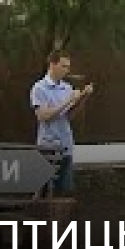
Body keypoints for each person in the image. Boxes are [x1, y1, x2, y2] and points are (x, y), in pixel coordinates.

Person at [30, 49, 93, 196]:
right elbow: (43, 116)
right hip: (48, 146)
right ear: (52, 64)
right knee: (43, 191)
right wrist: (69, 100)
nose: (67, 70)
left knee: (64, 191)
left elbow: (69, 116)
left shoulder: (66, 87)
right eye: (63, 66)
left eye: (68, 67)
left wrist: (83, 98)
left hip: (66, 145)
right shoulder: (39, 88)